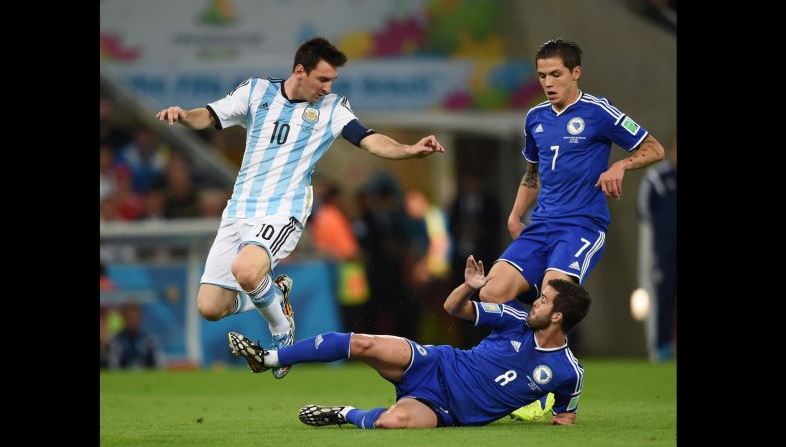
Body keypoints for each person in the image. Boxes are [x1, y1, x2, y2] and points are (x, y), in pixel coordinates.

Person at [155, 37, 445, 379]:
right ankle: (276, 294)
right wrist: (183, 114)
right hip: (238, 212)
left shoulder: (333, 109)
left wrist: (409, 149)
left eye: (332, 81)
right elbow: (209, 115)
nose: (327, 87)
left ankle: (281, 333)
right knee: (209, 307)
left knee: (247, 271)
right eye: (322, 79)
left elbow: (370, 139)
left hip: (283, 211)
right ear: (299, 71)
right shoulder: (256, 91)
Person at [228, 255, 591, 428]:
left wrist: (552, 418)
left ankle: (342, 413)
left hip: (445, 410)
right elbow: (454, 308)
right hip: (436, 362)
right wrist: (470, 287)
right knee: (363, 342)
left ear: (558, 317)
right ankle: (269, 358)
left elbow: (565, 418)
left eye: (543, 301)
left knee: (392, 423)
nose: (536, 302)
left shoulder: (568, 373)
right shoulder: (514, 321)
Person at [479, 38, 665, 306]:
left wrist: (620, 165)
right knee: (490, 293)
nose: (548, 83)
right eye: (542, 76)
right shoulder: (535, 118)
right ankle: (526, 338)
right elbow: (534, 173)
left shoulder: (598, 111)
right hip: (541, 224)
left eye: (556, 74)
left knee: (552, 298)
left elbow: (654, 148)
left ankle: (550, 328)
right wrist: (515, 215)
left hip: (581, 225)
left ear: (576, 72)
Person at [637, 133, 676, 362]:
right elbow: (644, 212)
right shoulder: (658, 178)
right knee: (664, 299)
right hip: (666, 254)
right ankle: (661, 348)